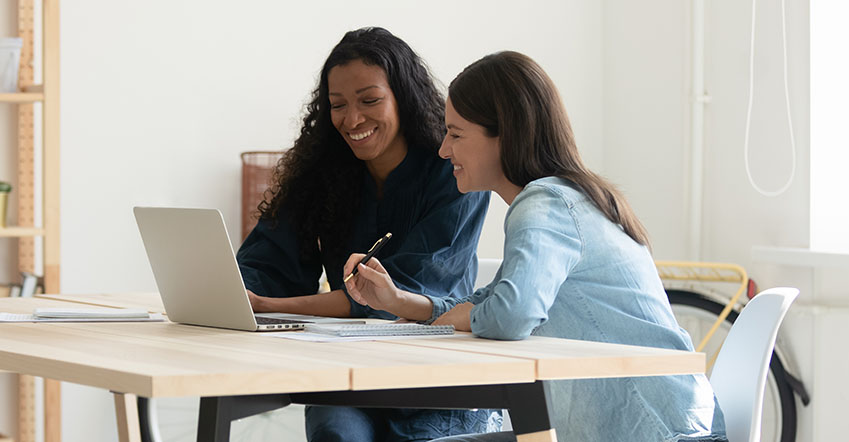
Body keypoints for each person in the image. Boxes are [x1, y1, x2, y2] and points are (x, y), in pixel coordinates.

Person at [342, 51, 729, 442]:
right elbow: (491, 301)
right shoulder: (568, 198)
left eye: (456, 134)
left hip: (660, 434)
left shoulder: (545, 205)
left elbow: (510, 314)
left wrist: (457, 317)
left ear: (505, 136)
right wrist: (398, 301)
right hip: (663, 426)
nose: (444, 150)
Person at [236, 28, 495, 442]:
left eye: (370, 101)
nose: (352, 120)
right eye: (337, 105)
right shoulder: (321, 172)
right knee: (335, 435)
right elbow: (268, 262)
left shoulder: (455, 172)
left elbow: (400, 298)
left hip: (436, 382)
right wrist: (234, 292)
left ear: (403, 97)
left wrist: (267, 304)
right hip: (346, 376)